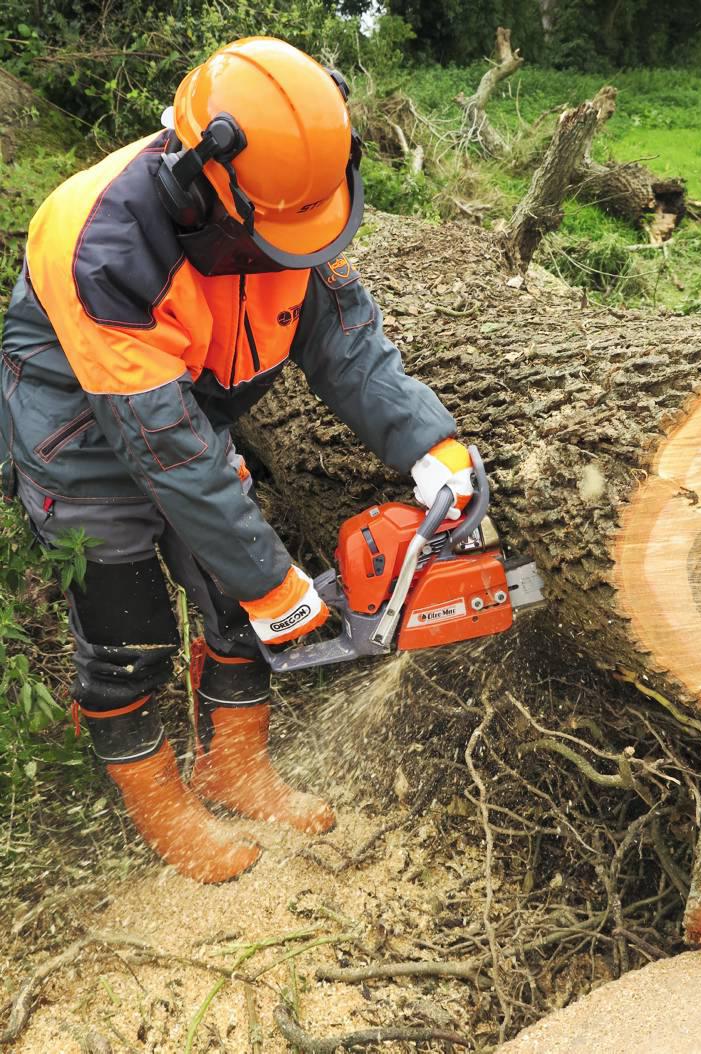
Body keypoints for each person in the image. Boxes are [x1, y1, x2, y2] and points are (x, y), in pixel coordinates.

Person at [0, 36, 474, 883]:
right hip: (79, 428)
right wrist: (274, 581)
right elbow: (166, 452)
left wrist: (431, 447)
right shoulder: (105, 245)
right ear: (198, 179)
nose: (290, 252)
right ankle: (161, 805)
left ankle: (234, 766)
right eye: (273, 237)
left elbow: (348, 347)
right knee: (129, 630)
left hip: (186, 409)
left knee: (230, 595)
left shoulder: (295, 197)